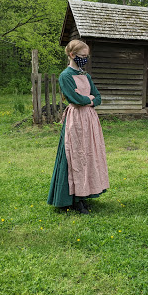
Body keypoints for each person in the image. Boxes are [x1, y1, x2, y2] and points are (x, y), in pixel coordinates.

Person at [47, 39, 109, 214]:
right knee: (74, 155)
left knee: (88, 155)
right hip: (75, 120)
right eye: (82, 56)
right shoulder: (65, 76)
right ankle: (72, 198)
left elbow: (97, 97)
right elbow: (76, 100)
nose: (85, 59)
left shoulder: (86, 76)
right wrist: (87, 98)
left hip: (89, 119)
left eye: (87, 56)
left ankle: (84, 194)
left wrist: (88, 99)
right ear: (72, 55)